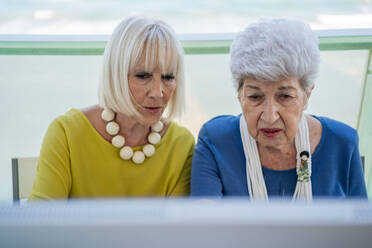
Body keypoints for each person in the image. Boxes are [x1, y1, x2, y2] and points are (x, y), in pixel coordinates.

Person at [191, 19, 367, 200]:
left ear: (307, 95)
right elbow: (203, 225)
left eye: (285, 97)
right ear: (239, 95)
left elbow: (359, 225)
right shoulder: (215, 142)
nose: (269, 116)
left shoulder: (342, 144)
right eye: (255, 97)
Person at [29, 16, 194, 200]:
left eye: (168, 77)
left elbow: (178, 228)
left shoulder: (181, 145)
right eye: (142, 75)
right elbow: (40, 222)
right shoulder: (67, 134)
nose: (157, 92)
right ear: (115, 74)